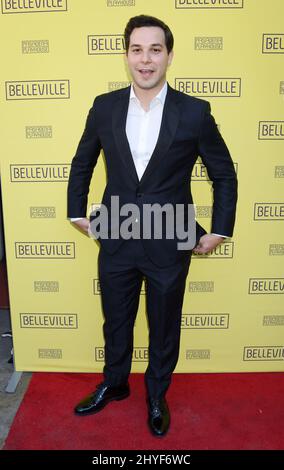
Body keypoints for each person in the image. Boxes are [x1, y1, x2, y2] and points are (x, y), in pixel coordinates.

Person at [67, 14, 237, 437]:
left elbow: (224, 173)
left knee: (164, 323)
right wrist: (76, 212)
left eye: (155, 50)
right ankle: (115, 383)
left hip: (170, 237)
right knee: (116, 318)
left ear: (169, 56)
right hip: (117, 232)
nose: (146, 60)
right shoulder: (104, 107)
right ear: (126, 56)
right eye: (137, 50)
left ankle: (157, 394)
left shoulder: (195, 112)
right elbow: (83, 161)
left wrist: (220, 228)